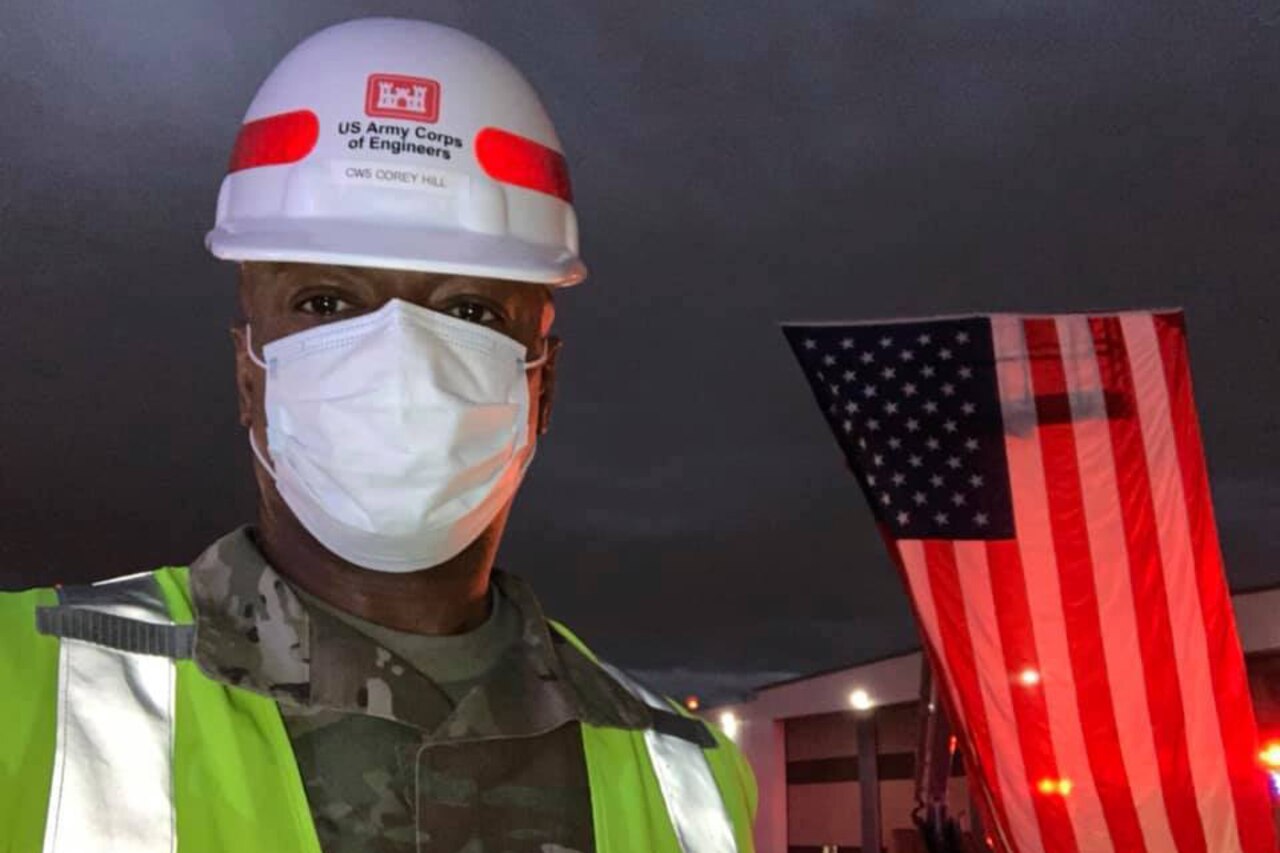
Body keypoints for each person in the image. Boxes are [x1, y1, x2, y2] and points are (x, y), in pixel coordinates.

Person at [0, 18, 756, 853]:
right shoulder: (25, 685)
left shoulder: (688, 774)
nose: (400, 359)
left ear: (541, 386)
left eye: (471, 311)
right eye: (326, 302)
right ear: (250, 373)